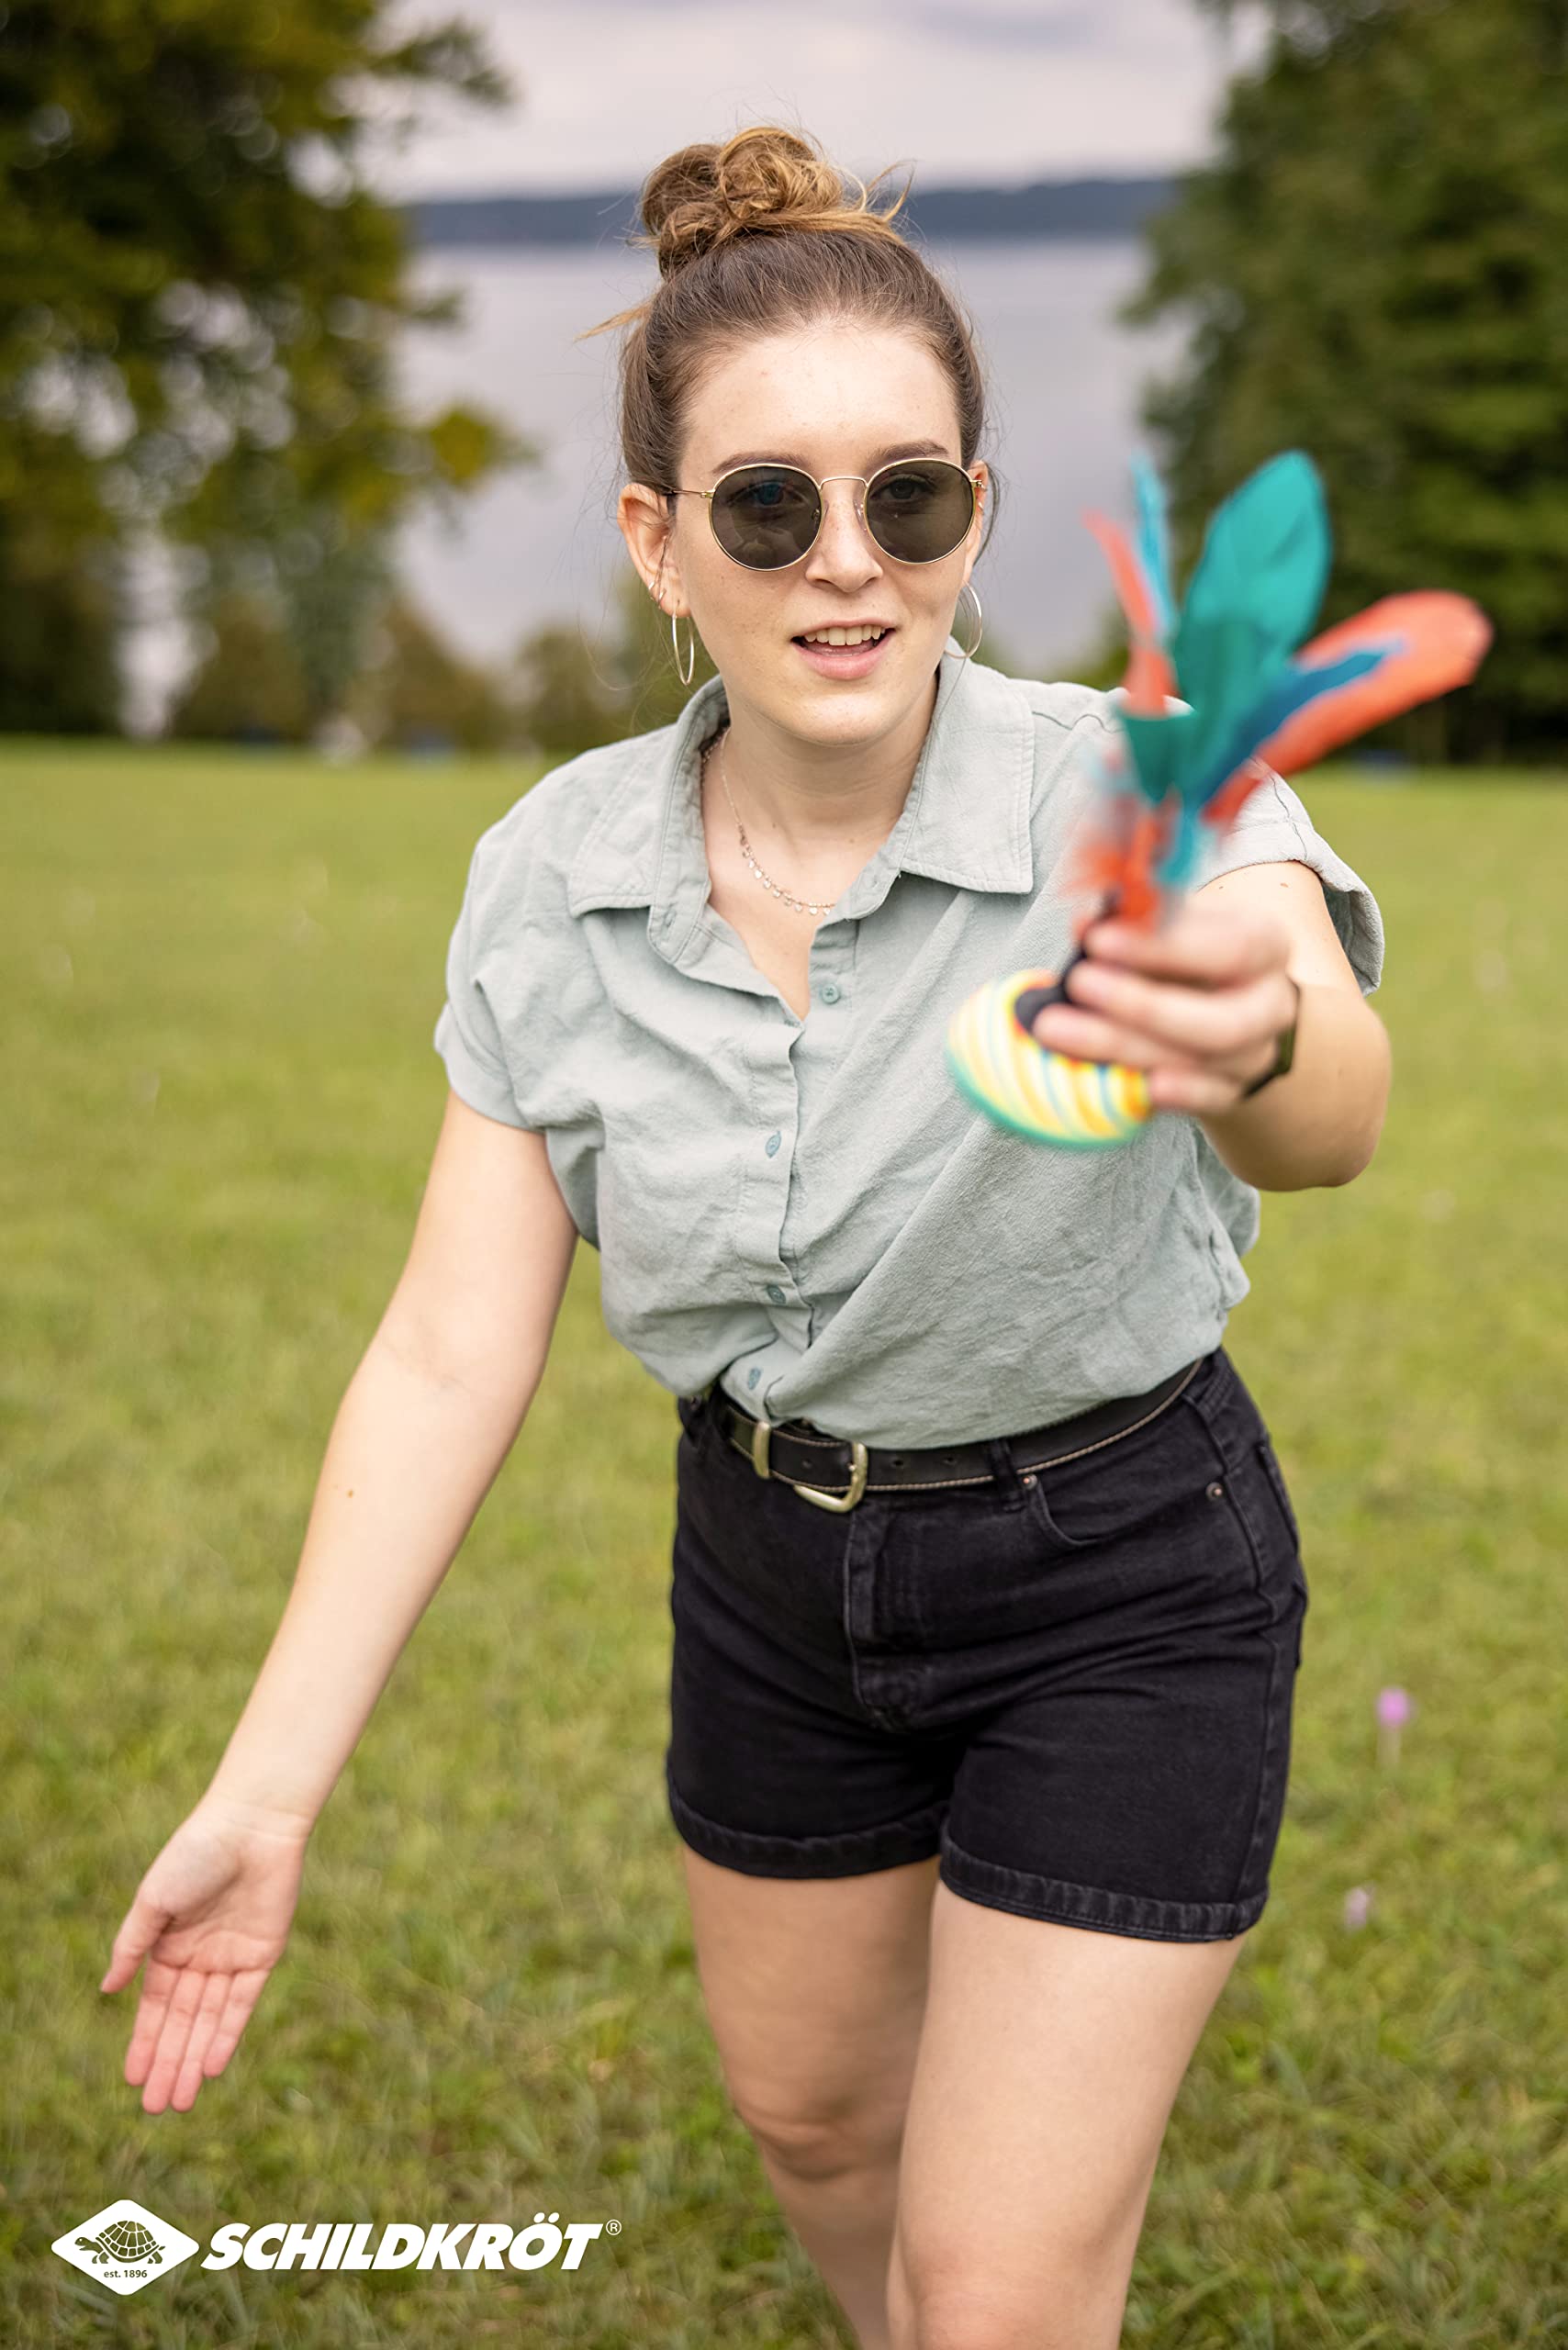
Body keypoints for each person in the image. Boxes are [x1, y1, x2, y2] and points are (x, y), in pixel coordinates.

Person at [99, 124, 1391, 2350]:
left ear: (974, 514)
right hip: (774, 1576)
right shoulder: (552, 869)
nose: (847, 564)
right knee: (816, 2134)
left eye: (910, 494)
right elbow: (442, 1346)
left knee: (995, 2288)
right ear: (656, 542)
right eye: (768, 505)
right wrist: (266, 1788)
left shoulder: (1140, 790)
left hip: (1119, 1574)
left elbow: (1329, 1105)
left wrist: (1243, 1024)